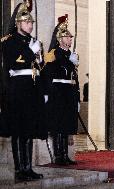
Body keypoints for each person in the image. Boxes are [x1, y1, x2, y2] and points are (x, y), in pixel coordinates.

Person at [1, 0, 46, 181]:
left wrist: (44, 91)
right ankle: (19, 169)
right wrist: (30, 52)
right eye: (27, 22)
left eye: (31, 23)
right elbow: (13, 64)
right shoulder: (8, 42)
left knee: (29, 129)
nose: (30, 25)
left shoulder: (35, 42)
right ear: (18, 23)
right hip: (17, 89)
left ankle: (28, 167)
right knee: (18, 130)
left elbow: (40, 68)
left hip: (33, 89)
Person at [43, 14, 80, 165]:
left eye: (71, 37)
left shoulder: (71, 55)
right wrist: (47, 93)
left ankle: (65, 154)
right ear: (60, 39)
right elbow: (47, 75)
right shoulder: (55, 54)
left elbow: (74, 77)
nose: (70, 39)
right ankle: (58, 155)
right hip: (58, 92)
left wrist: (76, 96)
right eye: (67, 37)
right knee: (58, 125)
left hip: (68, 92)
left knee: (66, 124)